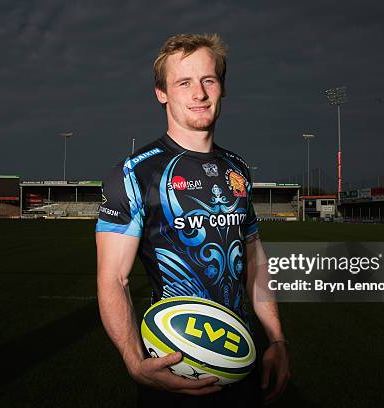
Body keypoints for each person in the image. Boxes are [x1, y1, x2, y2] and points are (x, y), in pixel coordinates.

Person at [96, 33, 290, 407]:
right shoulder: (134, 173)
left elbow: (255, 261)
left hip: (242, 360)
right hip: (174, 366)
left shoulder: (238, 170)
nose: (198, 93)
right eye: (184, 82)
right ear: (162, 93)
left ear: (222, 88)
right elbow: (113, 278)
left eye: (208, 80)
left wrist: (277, 340)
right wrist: (134, 361)